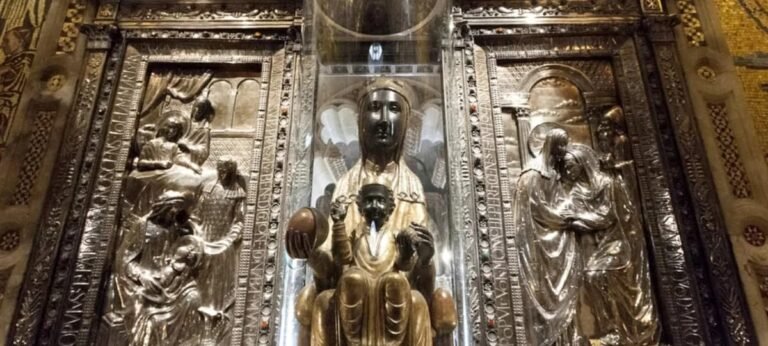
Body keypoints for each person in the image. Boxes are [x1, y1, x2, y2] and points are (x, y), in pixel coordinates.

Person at [562, 145, 659, 346]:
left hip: (619, 239)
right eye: (566, 168)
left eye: (571, 166)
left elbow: (609, 215)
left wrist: (582, 219)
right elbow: (569, 213)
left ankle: (619, 330)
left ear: (582, 164)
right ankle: (610, 328)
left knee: (595, 275)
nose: (568, 171)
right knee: (592, 277)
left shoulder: (609, 183)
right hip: (597, 245)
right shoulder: (575, 192)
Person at [514, 128, 588, 345]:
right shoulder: (533, 175)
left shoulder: (555, 174)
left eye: (565, 145)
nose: (564, 151)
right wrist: (563, 218)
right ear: (551, 145)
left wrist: (567, 214)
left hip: (560, 244)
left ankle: (567, 338)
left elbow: (560, 201)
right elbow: (537, 208)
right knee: (545, 294)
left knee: (567, 289)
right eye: (561, 145)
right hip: (539, 246)